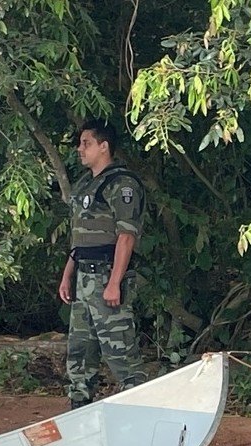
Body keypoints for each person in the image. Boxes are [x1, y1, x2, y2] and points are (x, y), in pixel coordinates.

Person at [57, 120, 147, 408]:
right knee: (80, 353)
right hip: (83, 278)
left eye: (86, 143)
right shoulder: (86, 185)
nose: (80, 149)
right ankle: (79, 412)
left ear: (104, 146)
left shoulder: (122, 184)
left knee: (120, 353)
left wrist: (114, 283)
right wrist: (67, 275)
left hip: (107, 276)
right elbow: (79, 238)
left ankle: (142, 412)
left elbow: (126, 237)